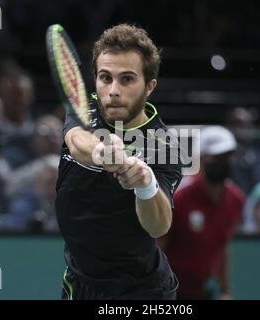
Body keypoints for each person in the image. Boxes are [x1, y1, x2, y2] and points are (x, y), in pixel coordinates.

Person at [56, 24, 182, 300]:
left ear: (149, 87)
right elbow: (77, 141)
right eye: (105, 78)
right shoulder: (84, 107)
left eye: (127, 79)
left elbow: (159, 225)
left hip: (141, 292)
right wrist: (103, 153)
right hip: (79, 282)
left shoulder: (165, 146)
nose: (113, 91)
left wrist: (145, 183)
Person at [160, 126, 245, 300]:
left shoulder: (236, 199)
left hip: (202, 292)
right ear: (201, 158)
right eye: (217, 157)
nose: (224, 162)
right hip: (168, 293)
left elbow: (223, 245)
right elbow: (157, 247)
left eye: (228, 157)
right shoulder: (179, 197)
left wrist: (225, 289)